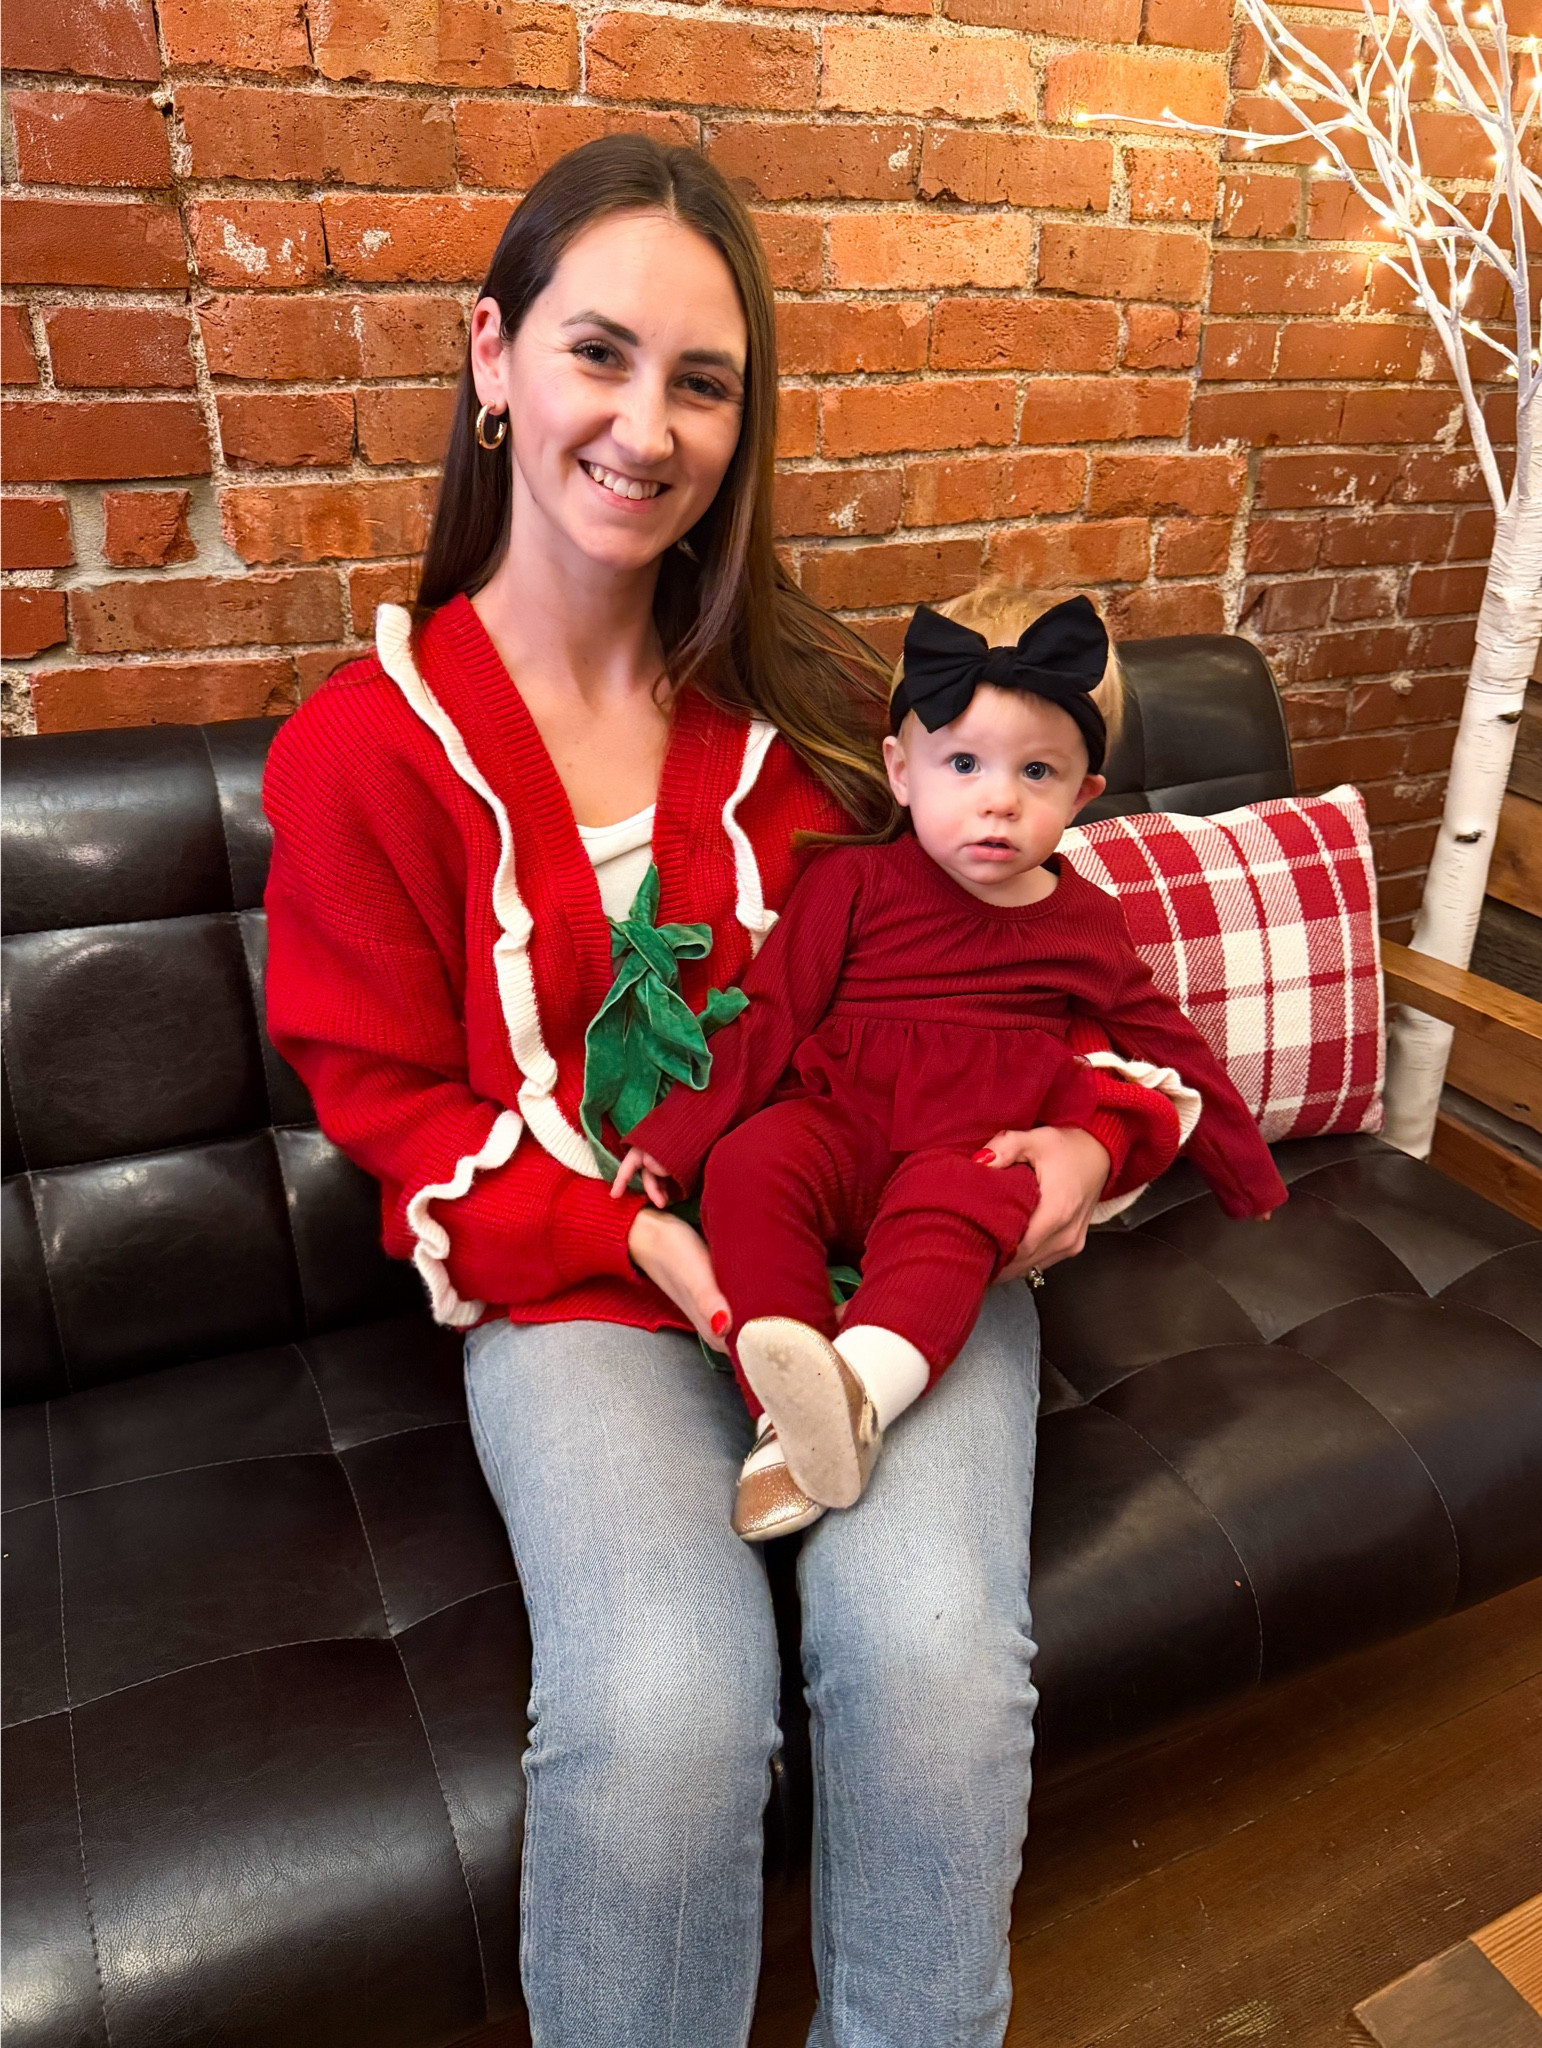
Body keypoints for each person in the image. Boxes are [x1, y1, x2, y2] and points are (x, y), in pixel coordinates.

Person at [262, 133, 1183, 2048]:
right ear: (493, 356)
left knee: (935, 1661)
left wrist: (1080, 1143)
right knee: (667, 1704)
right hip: (577, 1282)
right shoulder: (362, 754)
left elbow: (1054, 963)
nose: (647, 425)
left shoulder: (835, 715)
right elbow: (400, 1117)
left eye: (702, 380)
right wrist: (664, 1253)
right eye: (598, 354)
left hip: (889, 1242)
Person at [616, 591, 1287, 1542]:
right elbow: (773, 1012)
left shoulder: (1085, 924)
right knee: (751, 1164)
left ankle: (857, 1395)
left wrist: (1244, 1173)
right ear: (903, 770)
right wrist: (681, 1135)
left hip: (975, 1150)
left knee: (962, 1210)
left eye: (1037, 772)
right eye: (964, 764)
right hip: (842, 1125)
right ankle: (787, 1410)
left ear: (1083, 796)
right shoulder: (851, 881)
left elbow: (1165, 1040)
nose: (998, 800)